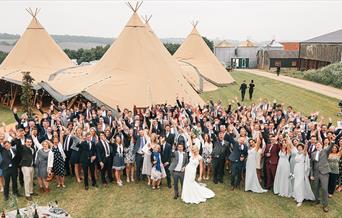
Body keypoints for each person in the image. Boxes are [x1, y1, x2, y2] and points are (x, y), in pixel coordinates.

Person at [310, 141, 333, 212]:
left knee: (324, 189)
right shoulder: (313, 154)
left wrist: (332, 142)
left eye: (319, 144)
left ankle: (325, 205)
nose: (317, 146)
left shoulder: (325, 151)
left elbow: (330, 147)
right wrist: (311, 174)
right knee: (315, 187)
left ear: (321, 145)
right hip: (316, 173)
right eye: (316, 145)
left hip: (324, 173)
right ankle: (317, 200)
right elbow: (311, 165)